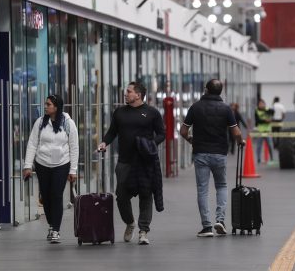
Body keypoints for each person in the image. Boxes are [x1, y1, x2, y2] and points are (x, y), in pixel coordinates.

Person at [98, 82, 165, 245]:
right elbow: (112, 132)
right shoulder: (119, 112)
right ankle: (130, 223)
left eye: (128, 91)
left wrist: (151, 144)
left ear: (138, 95)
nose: (125, 94)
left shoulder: (152, 113)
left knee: (145, 196)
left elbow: (162, 134)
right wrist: (104, 143)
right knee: (121, 196)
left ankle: (143, 231)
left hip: (145, 161)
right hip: (125, 162)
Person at [180, 79, 244, 237]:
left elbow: (183, 131)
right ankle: (220, 220)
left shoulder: (195, 107)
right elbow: (236, 133)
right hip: (219, 153)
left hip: (200, 153)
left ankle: (207, 227)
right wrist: (240, 142)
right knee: (221, 186)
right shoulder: (226, 109)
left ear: (206, 90)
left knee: (202, 190)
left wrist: (190, 140)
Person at [23, 94, 78, 244]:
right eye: (45, 104)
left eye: (48, 104)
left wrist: (73, 170)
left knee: (56, 195)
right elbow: (32, 144)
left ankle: (56, 230)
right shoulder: (40, 123)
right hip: (42, 164)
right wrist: (28, 166)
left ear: (56, 107)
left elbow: (74, 146)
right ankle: (51, 224)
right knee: (46, 197)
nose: (46, 106)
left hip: (62, 164)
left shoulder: (68, 123)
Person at [255, 99, 274, 163]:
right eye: (260, 104)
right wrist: (265, 121)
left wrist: (270, 118)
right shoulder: (257, 111)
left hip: (268, 130)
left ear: (264, 104)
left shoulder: (268, 109)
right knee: (259, 146)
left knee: (270, 145)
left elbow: (272, 112)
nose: (261, 105)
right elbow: (257, 121)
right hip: (260, 130)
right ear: (258, 105)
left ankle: (272, 159)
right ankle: (258, 159)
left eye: (263, 104)